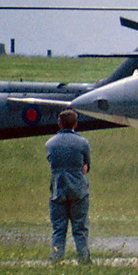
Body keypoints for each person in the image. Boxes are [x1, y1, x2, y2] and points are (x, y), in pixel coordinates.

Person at [46, 109, 91, 264]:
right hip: (78, 188)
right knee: (80, 228)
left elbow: (51, 162)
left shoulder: (50, 143)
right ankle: (84, 259)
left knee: (59, 228)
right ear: (75, 124)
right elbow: (87, 165)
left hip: (58, 188)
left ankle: (56, 259)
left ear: (59, 124)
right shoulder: (83, 143)